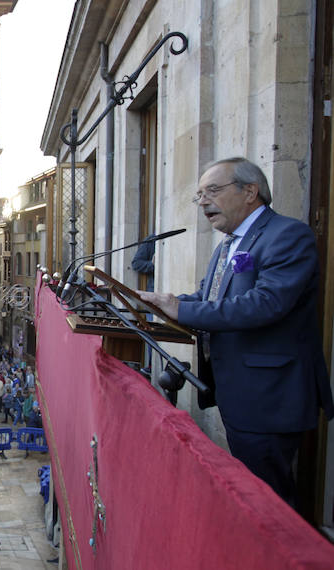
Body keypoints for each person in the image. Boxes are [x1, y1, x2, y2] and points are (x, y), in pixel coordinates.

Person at [139, 156, 334, 507]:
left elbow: (265, 303)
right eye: (198, 195)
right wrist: (159, 303)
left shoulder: (287, 235)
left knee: (269, 502)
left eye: (213, 190)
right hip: (237, 394)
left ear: (250, 192)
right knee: (252, 496)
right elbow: (207, 298)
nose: (203, 202)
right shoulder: (227, 245)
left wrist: (181, 309)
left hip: (269, 398)